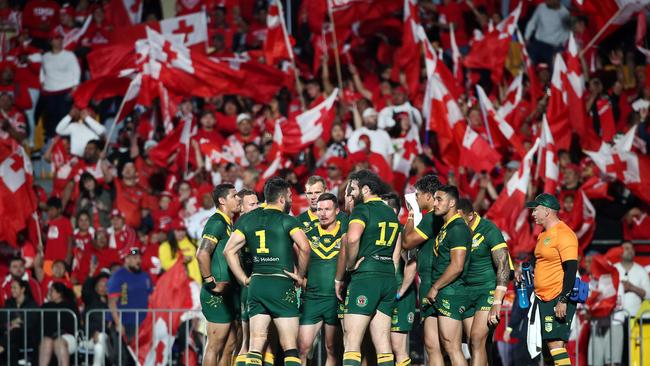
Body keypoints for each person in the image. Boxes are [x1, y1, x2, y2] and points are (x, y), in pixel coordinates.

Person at [223, 177, 310, 366]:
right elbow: (305, 247)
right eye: (289, 196)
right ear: (281, 199)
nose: (290, 200)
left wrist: (243, 278)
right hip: (281, 284)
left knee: (255, 345)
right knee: (290, 347)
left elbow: (228, 250)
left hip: (257, 284)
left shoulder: (247, 219)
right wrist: (300, 275)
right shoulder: (288, 220)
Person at [341, 169, 399, 366]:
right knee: (383, 345)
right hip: (388, 276)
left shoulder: (362, 210)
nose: (350, 193)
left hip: (367, 277)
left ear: (366, 189)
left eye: (354, 188)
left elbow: (353, 237)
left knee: (352, 342)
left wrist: (350, 265)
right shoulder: (391, 213)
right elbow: (396, 252)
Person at [457, 198, 511, 366]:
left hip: (486, 291)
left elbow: (503, 264)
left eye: (460, 218)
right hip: (466, 293)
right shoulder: (455, 231)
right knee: (477, 345)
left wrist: (497, 300)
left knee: (476, 339)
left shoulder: (489, 229)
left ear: (471, 216)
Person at [526, 193, 579, 366]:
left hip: (557, 296)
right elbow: (539, 259)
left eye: (536, 209)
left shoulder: (564, 234)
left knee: (555, 344)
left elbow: (571, 269)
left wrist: (564, 299)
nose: (532, 213)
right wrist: (524, 269)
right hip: (544, 298)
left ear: (547, 211)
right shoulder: (544, 234)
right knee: (549, 347)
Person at [424, 185, 472, 366]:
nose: (435, 203)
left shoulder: (458, 228)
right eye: (434, 199)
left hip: (450, 292)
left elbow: (457, 266)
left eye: (439, 199)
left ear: (452, 203)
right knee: (432, 345)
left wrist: (435, 287)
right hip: (439, 292)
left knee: (452, 347)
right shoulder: (446, 227)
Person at [298, 193, 347, 366]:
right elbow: (296, 259)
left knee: (332, 349)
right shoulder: (307, 233)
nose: (323, 213)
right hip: (312, 299)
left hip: (336, 300)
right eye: (319, 209)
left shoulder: (346, 231)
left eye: (327, 209)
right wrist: (301, 280)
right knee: (302, 348)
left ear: (337, 210)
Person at [401, 174, 444, 366]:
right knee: (447, 346)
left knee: (435, 346)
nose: (416, 199)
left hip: (434, 282)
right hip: (440, 280)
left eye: (418, 194)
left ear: (428, 196)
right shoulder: (443, 216)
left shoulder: (432, 217)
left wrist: (411, 214)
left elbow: (407, 241)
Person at [196, 183, 241, 366]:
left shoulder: (228, 224)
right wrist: (210, 283)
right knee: (214, 346)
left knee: (230, 346)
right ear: (222, 201)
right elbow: (202, 253)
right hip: (217, 293)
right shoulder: (216, 222)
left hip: (229, 293)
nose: (238, 199)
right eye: (234, 196)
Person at [384, 192, 417, 366]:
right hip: (383, 293)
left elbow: (411, 264)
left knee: (398, 348)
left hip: (399, 296)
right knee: (382, 346)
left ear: (394, 210)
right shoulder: (378, 231)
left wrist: (400, 292)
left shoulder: (402, 232)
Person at [608, 242, 650, 365]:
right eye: (626, 248)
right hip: (616, 319)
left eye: (632, 248)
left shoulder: (640, 271)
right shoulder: (613, 269)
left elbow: (648, 294)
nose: (630, 250)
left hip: (635, 321)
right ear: (620, 251)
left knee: (632, 354)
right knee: (616, 355)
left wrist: (632, 287)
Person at [107, 248, 153, 340]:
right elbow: (112, 302)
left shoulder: (145, 276)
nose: (139, 261)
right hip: (126, 323)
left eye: (139, 258)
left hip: (143, 323)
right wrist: (118, 323)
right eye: (135, 258)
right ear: (127, 259)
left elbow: (150, 298)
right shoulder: (118, 276)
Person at [38, 282, 79, 366]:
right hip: (49, 336)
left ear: (59, 293)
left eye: (52, 291)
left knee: (59, 342)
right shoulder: (45, 306)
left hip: (67, 336)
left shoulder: (70, 306)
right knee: (46, 341)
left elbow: (73, 326)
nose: (49, 293)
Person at [0, 279, 40, 365]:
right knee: (12, 344)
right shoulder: (9, 303)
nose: (12, 290)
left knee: (15, 332)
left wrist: (19, 324)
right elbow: (3, 320)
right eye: (11, 288)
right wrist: (11, 324)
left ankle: (1, 346)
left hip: (27, 337)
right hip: (10, 336)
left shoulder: (31, 304)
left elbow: (31, 323)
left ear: (23, 289)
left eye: (14, 288)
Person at [158, 219, 201, 283]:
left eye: (183, 230)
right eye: (178, 230)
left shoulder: (192, 242)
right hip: (179, 283)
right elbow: (166, 265)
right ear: (172, 231)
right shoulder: (165, 246)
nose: (181, 233)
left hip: (198, 282)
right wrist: (181, 260)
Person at [82, 272, 110, 366]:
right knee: (100, 341)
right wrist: (91, 273)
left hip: (109, 340)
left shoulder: (113, 303)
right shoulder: (90, 300)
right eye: (100, 285)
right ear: (95, 288)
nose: (103, 288)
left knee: (99, 343)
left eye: (105, 285)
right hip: (89, 338)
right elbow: (85, 290)